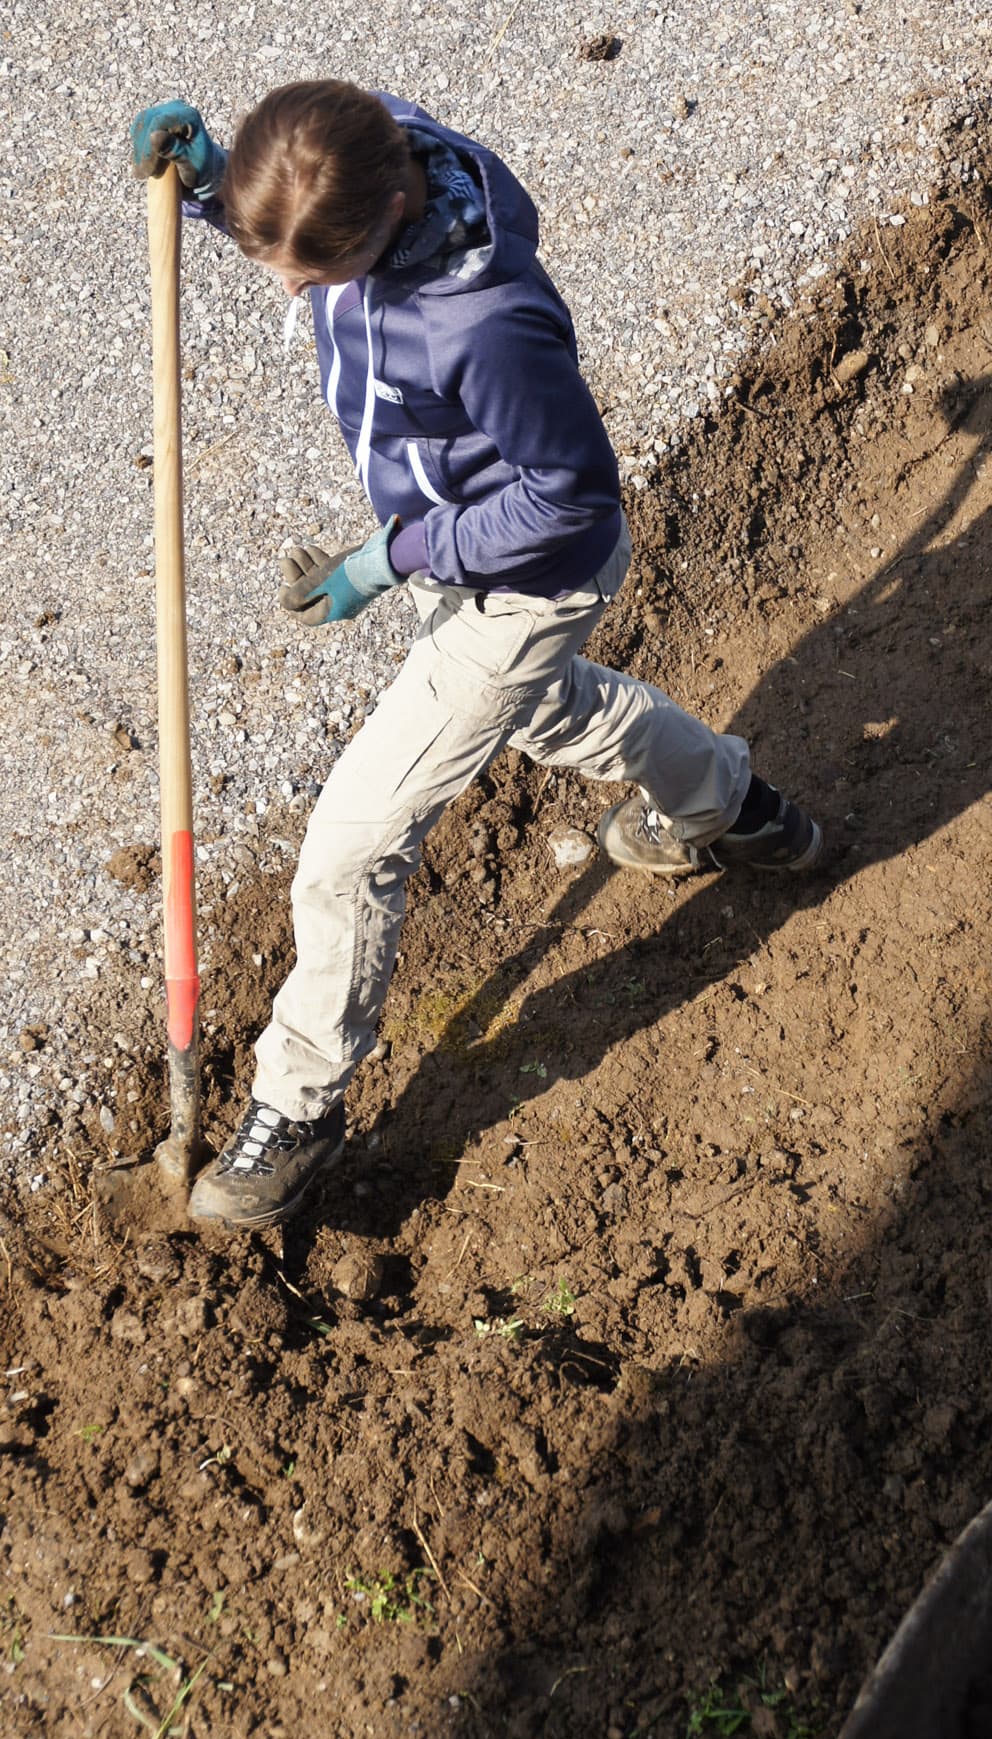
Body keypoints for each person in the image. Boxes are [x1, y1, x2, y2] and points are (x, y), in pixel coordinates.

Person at [127, 83, 823, 1228]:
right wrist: (214, 190)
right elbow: (305, 214)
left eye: (316, 273)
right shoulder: (379, 154)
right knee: (554, 716)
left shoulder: (481, 319)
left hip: (523, 578)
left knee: (349, 847)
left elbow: (571, 494)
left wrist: (392, 554)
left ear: (391, 215)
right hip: (468, 556)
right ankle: (731, 806)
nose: (293, 291)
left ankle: (299, 1105)